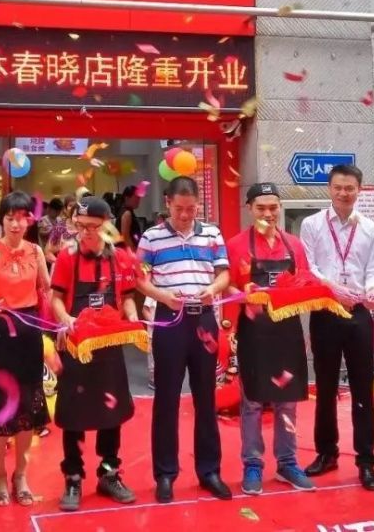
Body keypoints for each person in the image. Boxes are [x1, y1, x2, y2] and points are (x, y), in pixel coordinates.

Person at [137, 176, 232, 503]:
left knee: (206, 397)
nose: (185, 215)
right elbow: (139, 280)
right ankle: (165, 474)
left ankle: (210, 471)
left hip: (203, 319)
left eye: (191, 209)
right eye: (179, 209)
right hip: (169, 320)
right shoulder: (151, 238)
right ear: (167, 203)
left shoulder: (212, 234)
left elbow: (224, 274)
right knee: (167, 399)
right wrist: (163, 296)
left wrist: (213, 289)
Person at [50, 196, 140, 511]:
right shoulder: (66, 257)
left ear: (107, 226)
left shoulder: (121, 258)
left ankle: (109, 473)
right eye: (81, 226)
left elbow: (127, 297)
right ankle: (73, 476)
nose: (86, 233)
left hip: (109, 346)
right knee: (74, 414)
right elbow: (56, 298)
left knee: (111, 412)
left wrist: (132, 316)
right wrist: (66, 318)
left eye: (93, 227)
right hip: (77, 346)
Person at [225, 183, 315, 494]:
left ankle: (287, 463)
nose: (268, 213)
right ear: (249, 209)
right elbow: (227, 286)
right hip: (254, 332)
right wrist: (245, 297)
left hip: (288, 331)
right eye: (261, 207)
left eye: (273, 207)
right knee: (251, 402)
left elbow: (304, 283)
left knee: (286, 402)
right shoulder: (236, 245)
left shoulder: (294, 245)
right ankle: (252, 464)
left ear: (280, 207)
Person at [299, 164, 374, 490]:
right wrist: (334, 289)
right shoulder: (312, 224)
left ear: (359, 190)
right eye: (338, 188)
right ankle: (326, 452)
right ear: (329, 189)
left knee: (363, 386)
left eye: (350, 188)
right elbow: (309, 266)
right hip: (326, 310)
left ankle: (366, 460)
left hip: (360, 313)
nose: (344, 193)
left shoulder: (370, 229)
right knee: (325, 386)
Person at [0, 190, 52, 507]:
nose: (16, 224)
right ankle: (0, 476)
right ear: (1, 220)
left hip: (29, 331)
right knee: (1, 406)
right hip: (0, 333)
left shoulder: (36, 251)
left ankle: (21, 475)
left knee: (28, 407)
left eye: (22, 218)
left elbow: (46, 288)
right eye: (10, 218)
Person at [118, 185, 143, 251]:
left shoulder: (125, 211)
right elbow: (125, 237)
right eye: (136, 197)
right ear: (127, 198)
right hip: (127, 251)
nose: (138, 200)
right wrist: (133, 252)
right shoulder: (127, 213)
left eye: (139, 198)